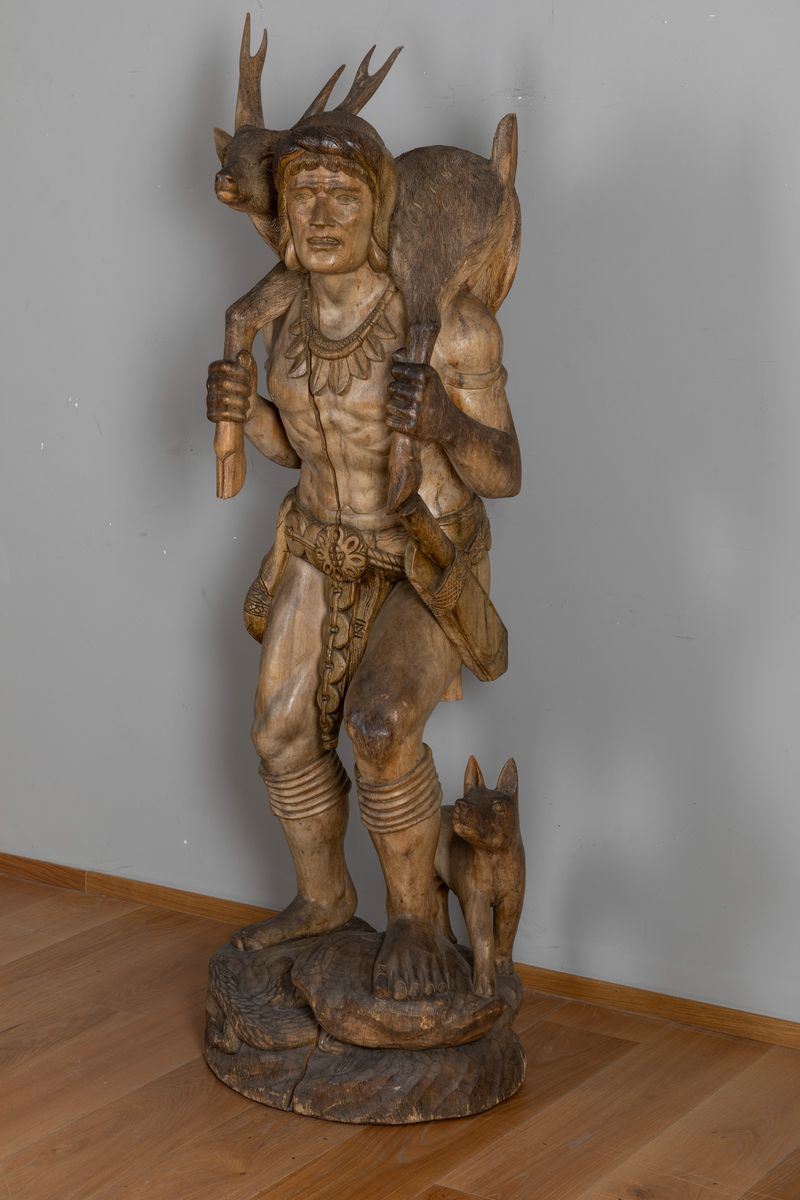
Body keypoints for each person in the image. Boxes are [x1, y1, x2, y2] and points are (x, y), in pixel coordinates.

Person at [206, 109, 521, 1001]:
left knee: (380, 728)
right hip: (317, 544)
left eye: (342, 194)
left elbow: (505, 472)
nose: (320, 214)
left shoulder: (449, 327)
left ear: (381, 206)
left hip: (422, 554)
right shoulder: (284, 316)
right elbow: (297, 452)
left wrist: (446, 421)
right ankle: (323, 897)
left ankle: (414, 917)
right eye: (302, 193)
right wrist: (249, 413)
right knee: (278, 733)